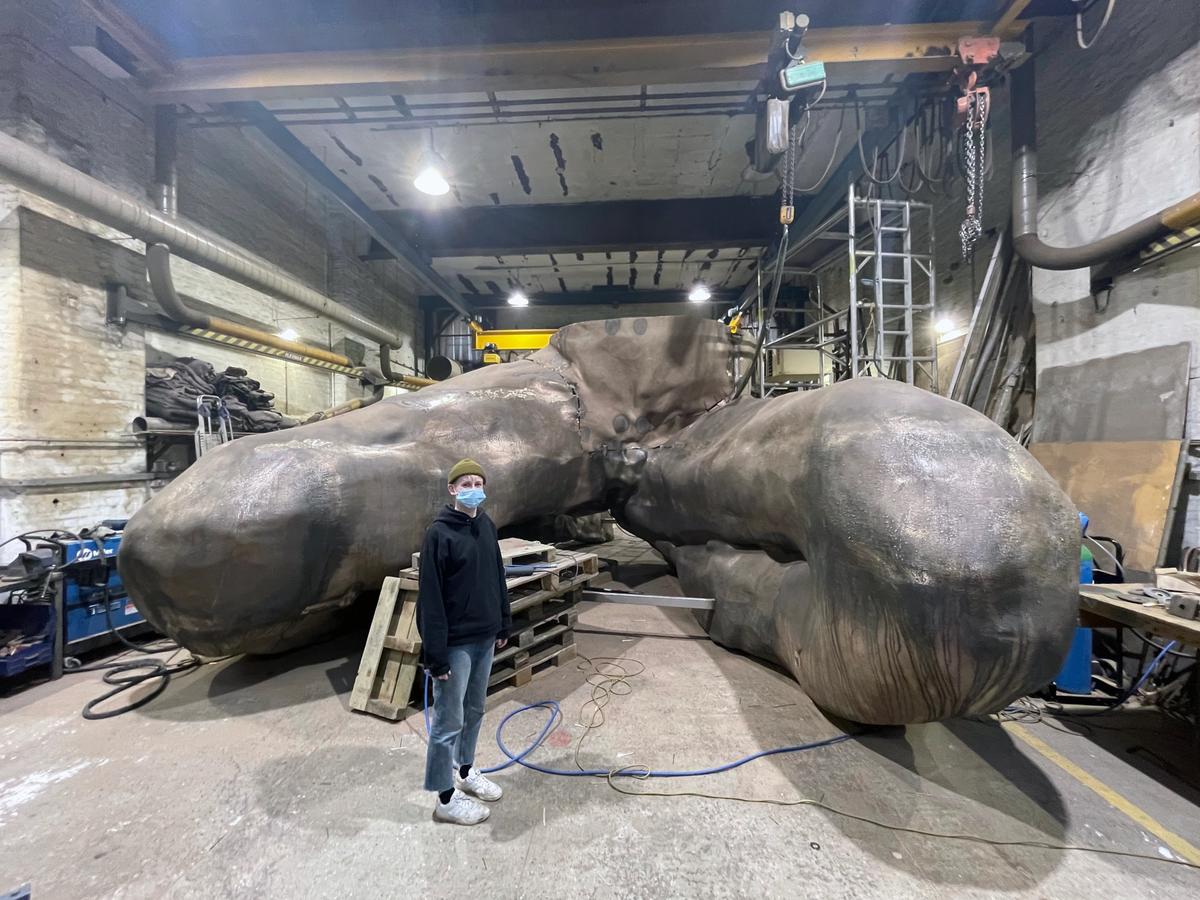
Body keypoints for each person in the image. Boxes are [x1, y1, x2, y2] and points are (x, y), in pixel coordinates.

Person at [416, 458, 512, 825]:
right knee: (446, 721)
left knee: (475, 710)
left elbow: (496, 579)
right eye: (466, 483)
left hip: (484, 638)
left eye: (479, 482)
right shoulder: (438, 535)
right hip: (455, 645)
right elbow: (432, 600)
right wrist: (435, 655)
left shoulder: (487, 526)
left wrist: (503, 623)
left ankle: (467, 770)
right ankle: (444, 799)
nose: (474, 488)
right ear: (453, 490)